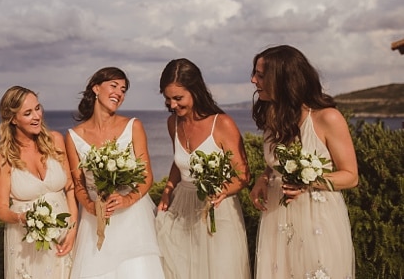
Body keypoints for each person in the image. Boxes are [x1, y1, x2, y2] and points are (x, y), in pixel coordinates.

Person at [249, 45, 356, 279]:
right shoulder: (273, 115)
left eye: (260, 75)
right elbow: (277, 161)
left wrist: (308, 182)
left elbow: (350, 176)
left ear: (283, 78)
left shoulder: (327, 117)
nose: (253, 80)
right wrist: (264, 177)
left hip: (316, 217)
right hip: (277, 215)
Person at [153, 59, 250, 279]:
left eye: (178, 98)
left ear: (195, 91)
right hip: (182, 207)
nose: (172, 105)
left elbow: (243, 174)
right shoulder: (173, 123)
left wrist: (223, 191)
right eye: (167, 99)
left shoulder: (222, 123)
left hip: (218, 209)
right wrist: (168, 189)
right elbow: (180, 163)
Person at [64, 67, 164, 279]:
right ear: (96, 88)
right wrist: (91, 207)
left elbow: (147, 177)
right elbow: (79, 185)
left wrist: (127, 199)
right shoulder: (74, 136)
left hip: (132, 220)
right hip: (95, 223)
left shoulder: (133, 126)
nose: (119, 93)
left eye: (123, 89)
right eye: (114, 86)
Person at [0, 86, 78, 279]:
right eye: (28, 113)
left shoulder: (55, 140)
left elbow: (71, 189)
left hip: (63, 238)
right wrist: (21, 218)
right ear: (13, 119)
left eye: (38, 108)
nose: (36, 116)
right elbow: (1, 209)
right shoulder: (4, 158)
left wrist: (73, 231)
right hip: (28, 245)